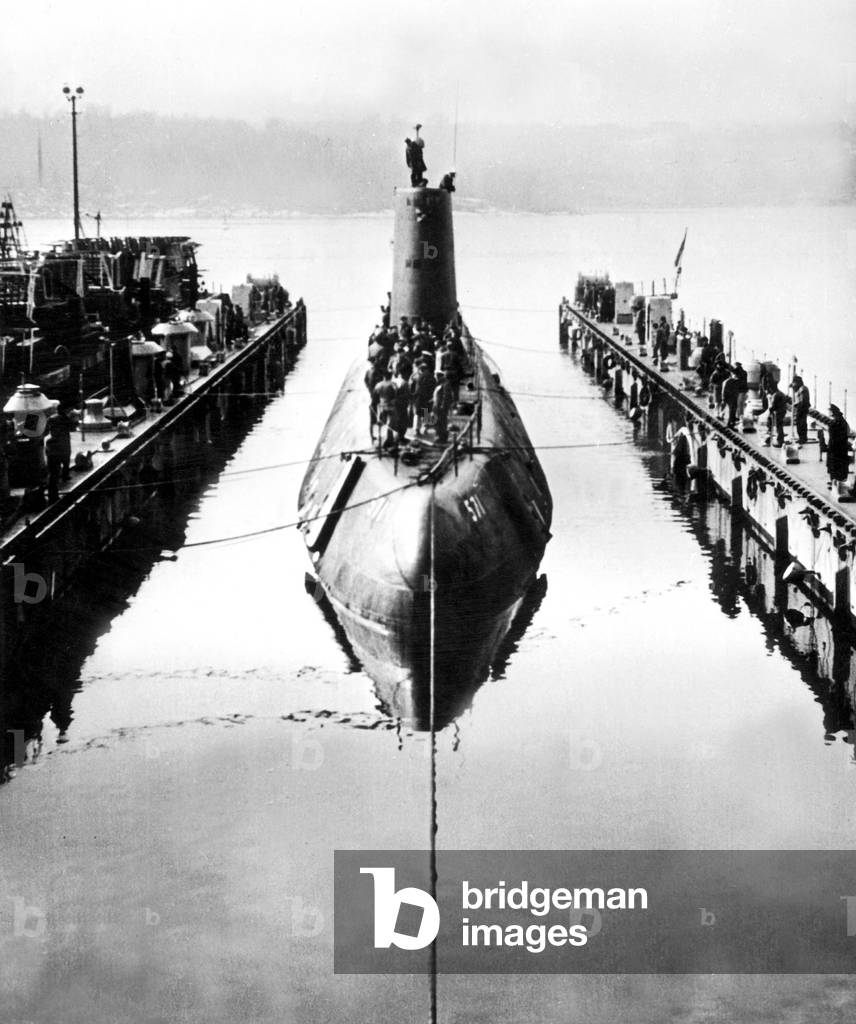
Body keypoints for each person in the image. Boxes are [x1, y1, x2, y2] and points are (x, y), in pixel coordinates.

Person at [827, 404, 851, 489]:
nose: (828, 412)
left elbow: (836, 436)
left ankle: (836, 482)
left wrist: (832, 446)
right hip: (839, 447)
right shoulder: (841, 421)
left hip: (837, 448)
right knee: (835, 465)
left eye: (829, 411)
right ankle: (835, 481)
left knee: (835, 465)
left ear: (833, 412)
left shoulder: (837, 422)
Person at [432, 371, 454, 444]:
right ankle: (440, 436)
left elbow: (445, 396)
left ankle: (442, 437)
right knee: (440, 422)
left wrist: (443, 405)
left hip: (441, 407)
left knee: (441, 422)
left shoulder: (445, 384)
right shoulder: (442, 384)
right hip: (438, 406)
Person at [791, 375, 811, 444]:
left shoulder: (803, 389)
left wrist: (798, 406)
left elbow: (802, 400)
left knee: (801, 424)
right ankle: (802, 437)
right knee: (800, 423)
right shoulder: (800, 388)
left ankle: (803, 438)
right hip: (800, 407)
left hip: (802, 408)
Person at [766, 382, 787, 447]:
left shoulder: (775, 395)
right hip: (782, 411)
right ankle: (780, 440)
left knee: (779, 427)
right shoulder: (781, 393)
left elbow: (773, 406)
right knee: (780, 426)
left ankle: (780, 441)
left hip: (778, 412)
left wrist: (770, 410)